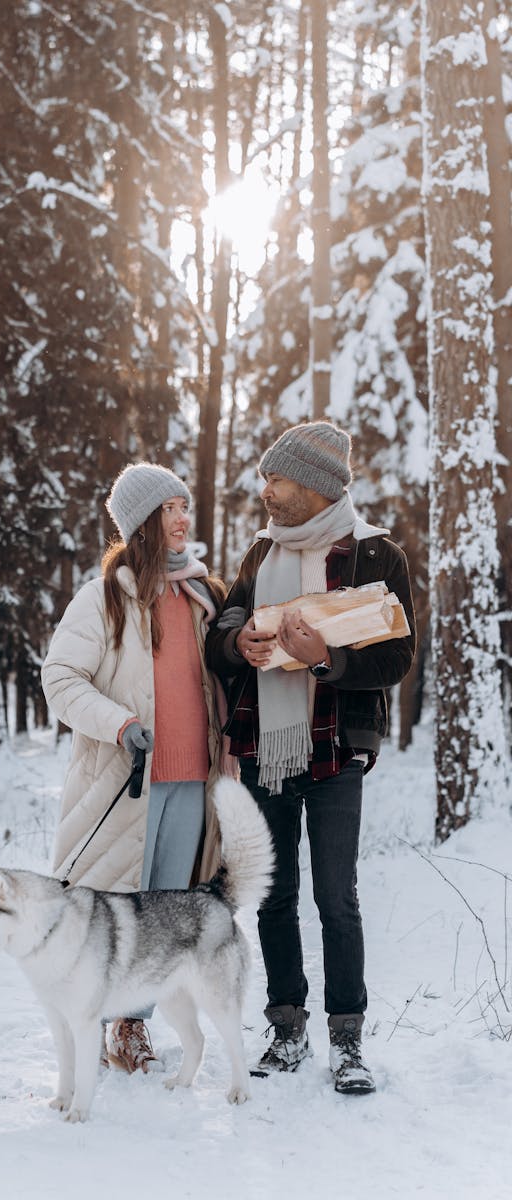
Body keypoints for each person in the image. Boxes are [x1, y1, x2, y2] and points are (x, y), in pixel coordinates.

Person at [205, 421, 416, 1095]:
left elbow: (396, 656)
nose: (265, 489)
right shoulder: (260, 554)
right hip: (267, 742)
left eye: (278, 478)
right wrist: (242, 644)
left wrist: (323, 658)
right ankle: (287, 1027)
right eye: (265, 476)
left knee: (337, 898)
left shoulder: (377, 556)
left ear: (317, 485)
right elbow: (223, 626)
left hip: (337, 747)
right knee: (275, 895)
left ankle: (347, 1042)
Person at [41, 462, 230, 1074]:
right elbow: (60, 678)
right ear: (143, 522)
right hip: (125, 785)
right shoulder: (103, 599)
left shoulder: (204, 596)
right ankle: (86, 1022)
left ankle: (132, 1028)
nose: (183, 518)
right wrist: (119, 722)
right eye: (171, 509)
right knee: (105, 907)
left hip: (192, 780)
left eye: (183, 506)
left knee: (164, 914)